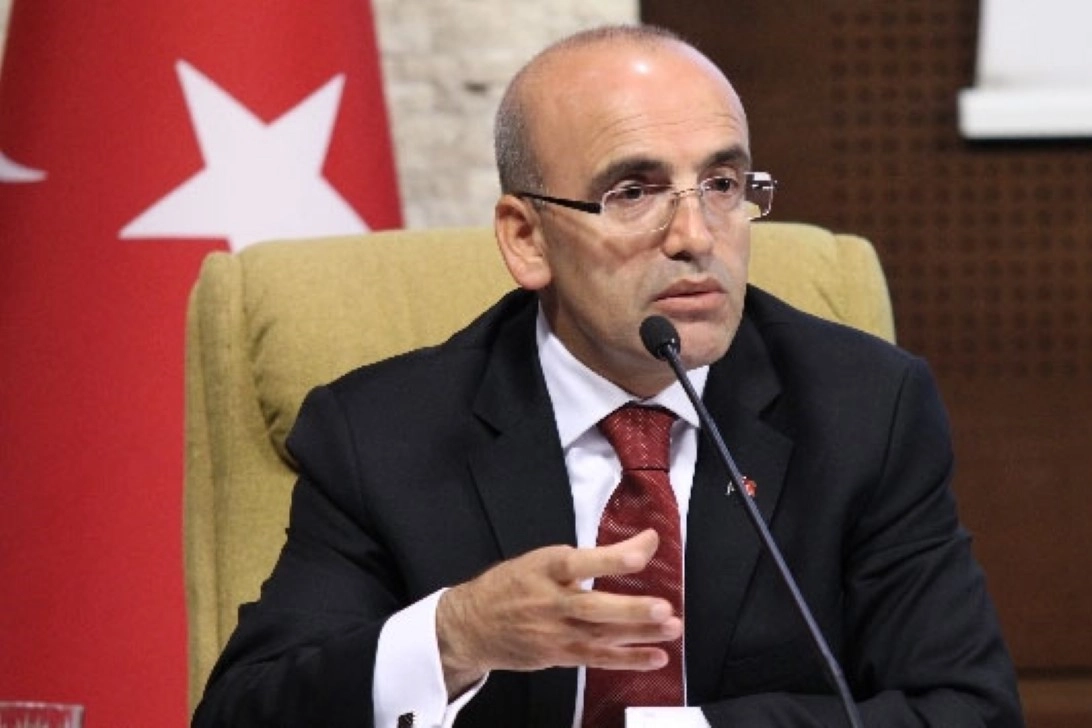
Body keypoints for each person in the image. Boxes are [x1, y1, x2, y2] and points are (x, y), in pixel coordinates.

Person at [191, 24, 1024, 728]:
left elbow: (965, 709)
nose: (696, 235)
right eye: (633, 192)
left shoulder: (864, 408)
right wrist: (456, 635)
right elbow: (244, 711)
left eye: (723, 184)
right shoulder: (382, 435)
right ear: (526, 239)